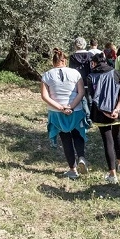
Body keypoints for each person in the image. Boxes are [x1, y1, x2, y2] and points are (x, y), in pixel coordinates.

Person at [41, 48, 89, 179]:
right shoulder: (75, 73)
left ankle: (73, 170)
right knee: (78, 135)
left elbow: (45, 96)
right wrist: (71, 107)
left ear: (53, 61)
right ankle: (81, 157)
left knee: (66, 139)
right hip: (76, 110)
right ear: (64, 60)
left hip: (57, 112)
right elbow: (81, 92)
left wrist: (60, 107)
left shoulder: (46, 75)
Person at [87, 52, 120, 184]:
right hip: (118, 112)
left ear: (94, 63)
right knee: (118, 135)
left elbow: (94, 98)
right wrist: (116, 110)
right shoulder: (116, 73)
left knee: (107, 142)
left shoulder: (91, 76)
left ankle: (112, 174)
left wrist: (106, 113)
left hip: (101, 115)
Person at [69, 37, 92, 124]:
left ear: (75, 45)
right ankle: (90, 117)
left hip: (78, 81)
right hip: (89, 80)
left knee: (82, 100)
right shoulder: (90, 55)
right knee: (90, 99)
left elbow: (71, 70)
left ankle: (86, 116)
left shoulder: (72, 57)